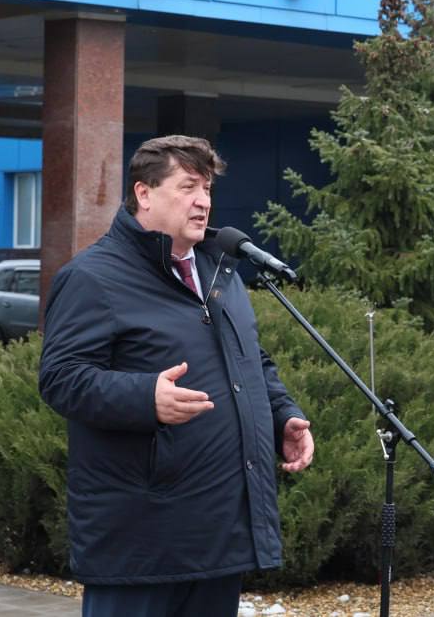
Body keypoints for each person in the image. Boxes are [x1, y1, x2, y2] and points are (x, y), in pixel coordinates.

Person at [39, 135, 314, 617]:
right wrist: (146, 396)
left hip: (218, 531)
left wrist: (281, 417)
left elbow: (251, 361)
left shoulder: (219, 270)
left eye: (207, 189)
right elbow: (61, 378)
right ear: (144, 193)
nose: (203, 201)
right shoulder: (93, 277)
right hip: (140, 540)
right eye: (188, 187)